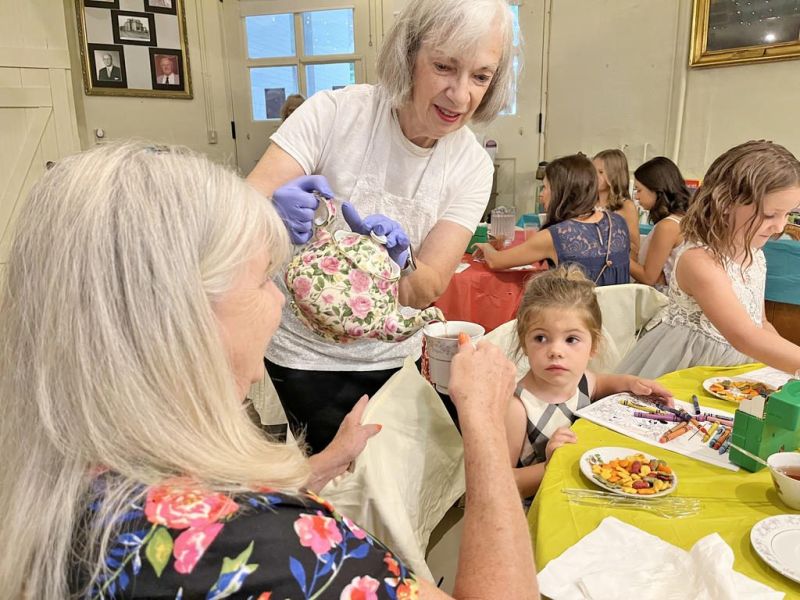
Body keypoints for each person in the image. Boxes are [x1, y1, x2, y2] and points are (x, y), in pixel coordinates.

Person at [0, 142, 539, 599]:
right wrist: (485, 425)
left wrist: (319, 467)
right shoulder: (271, 549)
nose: (280, 305)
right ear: (181, 317)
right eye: (264, 280)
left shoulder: (62, 482)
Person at [247, 0, 518, 452]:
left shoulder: (471, 164)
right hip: (298, 356)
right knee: (318, 487)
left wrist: (407, 262)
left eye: (480, 76)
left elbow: (426, 287)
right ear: (408, 55)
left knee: (384, 482)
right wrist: (268, 211)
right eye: (444, 66)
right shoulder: (333, 114)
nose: (460, 95)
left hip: (391, 358)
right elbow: (238, 212)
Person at [619, 140, 800, 378]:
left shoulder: (755, 256)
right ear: (725, 203)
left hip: (734, 367)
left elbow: (760, 323)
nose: (779, 226)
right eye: (769, 215)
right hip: (688, 367)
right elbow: (744, 335)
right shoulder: (700, 262)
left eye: (789, 214)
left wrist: (779, 369)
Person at [504, 266, 672, 501]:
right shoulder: (518, 407)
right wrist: (551, 464)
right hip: (539, 508)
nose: (555, 351)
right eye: (540, 338)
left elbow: (601, 383)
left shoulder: (582, 379)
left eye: (571, 339)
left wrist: (634, 383)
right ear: (524, 343)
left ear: (593, 346)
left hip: (582, 490)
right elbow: (504, 484)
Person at [475, 154, 631, 285]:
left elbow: (497, 261)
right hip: (617, 316)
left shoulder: (556, 236)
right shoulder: (618, 222)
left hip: (577, 316)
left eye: (545, 187)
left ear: (560, 192)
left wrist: (485, 246)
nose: (541, 194)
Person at [629, 156, 692, 293]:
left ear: (657, 190)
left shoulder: (668, 226)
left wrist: (617, 256)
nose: (637, 197)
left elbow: (648, 277)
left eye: (639, 190)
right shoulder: (683, 219)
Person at [594, 149, 640, 260]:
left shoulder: (626, 206)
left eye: (600, 172)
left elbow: (634, 248)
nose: (594, 176)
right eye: (592, 171)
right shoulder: (586, 202)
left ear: (614, 176)